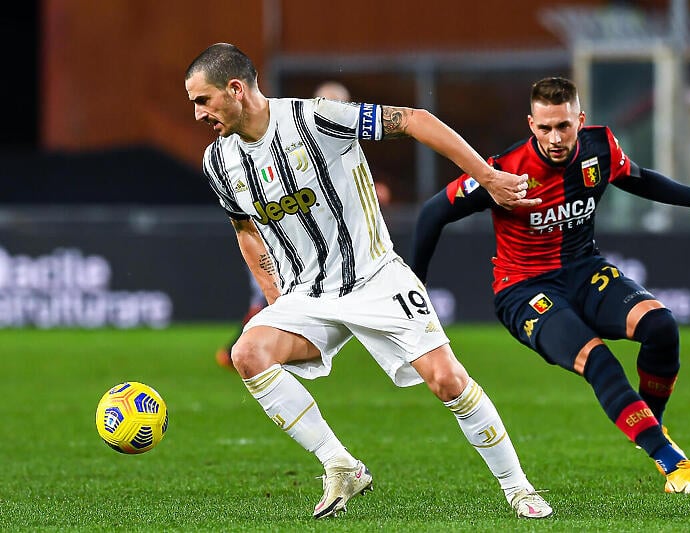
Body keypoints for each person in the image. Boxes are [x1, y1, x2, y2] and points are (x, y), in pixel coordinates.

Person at [185, 42, 551, 519]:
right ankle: (341, 466)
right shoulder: (219, 161)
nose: (197, 114)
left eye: (202, 100)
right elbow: (246, 231)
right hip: (308, 295)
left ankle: (518, 488)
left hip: (375, 277)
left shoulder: (317, 117)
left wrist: (487, 177)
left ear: (235, 89)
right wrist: (276, 300)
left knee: (447, 381)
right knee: (247, 354)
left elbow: (415, 119)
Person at [411, 76, 690, 495]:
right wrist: (416, 287)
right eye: (545, 128)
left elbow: (639, 178)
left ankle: (652, 430)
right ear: (531, 125)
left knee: (662, 328)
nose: (555, 138)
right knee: (598, 361)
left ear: (580, 120)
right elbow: (432, 213)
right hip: (524, 290)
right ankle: (674, 466)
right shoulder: (503, 171)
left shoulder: (600, 148)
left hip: (584, 270)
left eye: (563, 126)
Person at [214, 79, 391, 368]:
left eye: (341, 104)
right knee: (268, 299)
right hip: (286, 244)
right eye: (329, 102)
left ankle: (256, 347)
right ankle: (247, 347)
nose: (336, 109)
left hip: (331, 253)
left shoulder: (347, 139)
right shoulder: (298, 135)